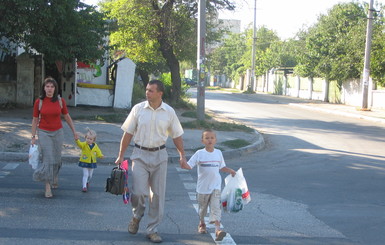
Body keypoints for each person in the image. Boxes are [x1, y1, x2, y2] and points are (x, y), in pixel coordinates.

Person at [115, 79, 188, 243]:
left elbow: (176, 135)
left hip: (160, 155)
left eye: (151, 90)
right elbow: (127, 133)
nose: (147, 93)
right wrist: (121, 155)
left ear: (160, 93)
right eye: (147, 90)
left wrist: (182, 155)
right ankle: (136, 215)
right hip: (139, 154)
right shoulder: (138, 109)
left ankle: (152, 229)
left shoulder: (169, 112)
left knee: (157, 196)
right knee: (139, 192)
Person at [182, 129, 236, 241]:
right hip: (202, 188)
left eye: (212, 138)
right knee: (202, 209)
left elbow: (222, 167)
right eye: (207, 138)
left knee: (216, 208)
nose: (209, 140)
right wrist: (183, 163)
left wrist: (230, 171)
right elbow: (189, 165)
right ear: (202, 141)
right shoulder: (199, 154)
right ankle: (202, 223)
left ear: (215, 140)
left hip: (215, 186)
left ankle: (218, 230)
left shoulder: (218, 153)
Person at [31, 77, 78, 198]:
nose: (49, 89)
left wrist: (74, 132)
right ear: (44, 88)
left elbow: (67, 116)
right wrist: (33, 136)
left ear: (55, 88)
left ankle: (54, 176)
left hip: (58, 132)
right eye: (47, 86)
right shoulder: (39, 102)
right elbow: (35, 119)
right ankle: (47, 186)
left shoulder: (60, 100)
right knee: (48, 159)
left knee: (57, 159)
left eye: (52, 86)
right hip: (43, 133)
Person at [76, 127, 104, 192]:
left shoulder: (95, 146)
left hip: (92, 162)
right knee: (85, 174)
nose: (88, 140)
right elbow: (79, 144)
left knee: (90, 175)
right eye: (87, 138)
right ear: (85, 138)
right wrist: (77, 140)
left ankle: (87, 182)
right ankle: (84, 186)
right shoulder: (84, 144)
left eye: (90, 139)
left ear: (94, 140)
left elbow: (98, 151)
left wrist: (100, 155)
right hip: (85, 161)